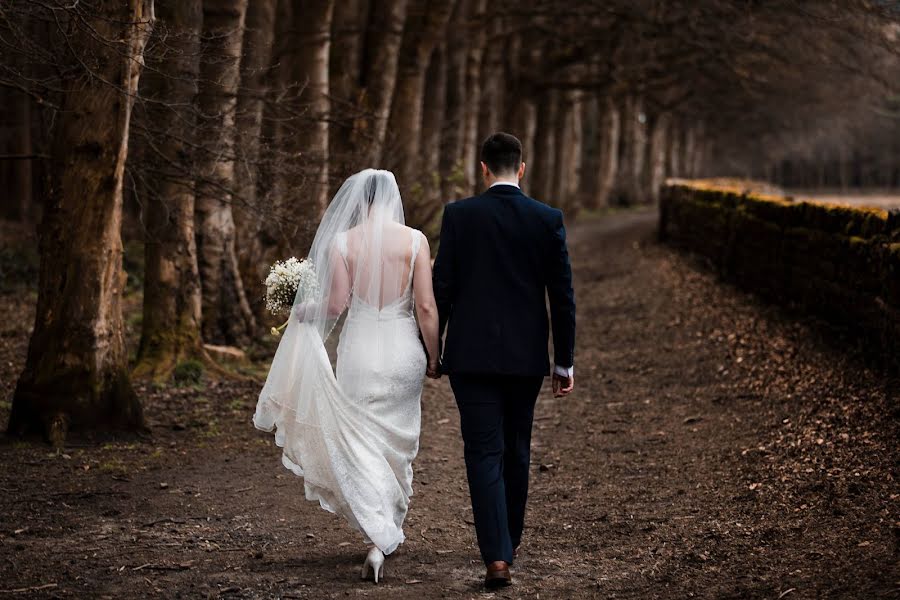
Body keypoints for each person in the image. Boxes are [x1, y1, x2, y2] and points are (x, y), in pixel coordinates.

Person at [253, 169, 440, 584]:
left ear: (359, 201)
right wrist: (434, 356)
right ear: (392, 198)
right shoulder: (415, 241)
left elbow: (335, 305)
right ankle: (383, 533)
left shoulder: (343, 242)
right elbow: (425, 307)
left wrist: (303, 310)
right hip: (402, 349)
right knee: (396, 441)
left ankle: (378, 534)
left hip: (359, 350)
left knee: (362, 438)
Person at [432, 132, 576, 589]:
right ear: (523, 167)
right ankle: (507, 543)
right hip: (525, 357)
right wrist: (564, 362)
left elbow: (442, 291)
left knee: (482, 452)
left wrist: (431, 351)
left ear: (482, 167)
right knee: (517, 448)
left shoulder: (459, 216)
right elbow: (562, 296)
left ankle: (497, 556)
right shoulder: (546, 219)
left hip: (470, 355)